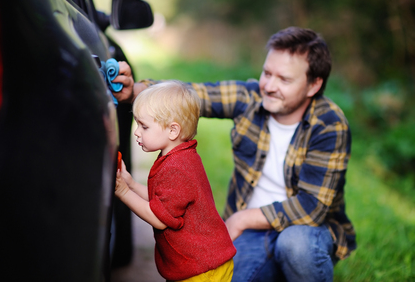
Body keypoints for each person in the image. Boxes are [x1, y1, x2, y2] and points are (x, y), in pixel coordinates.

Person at [113, 26, 356, 282]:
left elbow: (312, 206)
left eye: (284, 79)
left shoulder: (329, 124)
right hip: (251, 236)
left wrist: (241, 219)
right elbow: (192, 95)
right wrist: (136, 90)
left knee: (295, 247)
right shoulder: (251, 97)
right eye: (267, 73)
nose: (269, 86)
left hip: (302, 231)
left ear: (313, 85)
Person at [114, 81, 236, 281]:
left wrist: (123, 192)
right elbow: (161, 201)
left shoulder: (177, 168)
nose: (137, 132)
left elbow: (159, 218)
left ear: (173, 131)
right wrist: (132, 185)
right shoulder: (179, 155)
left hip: (202, 269)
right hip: (202, 263)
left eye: (144, 126)